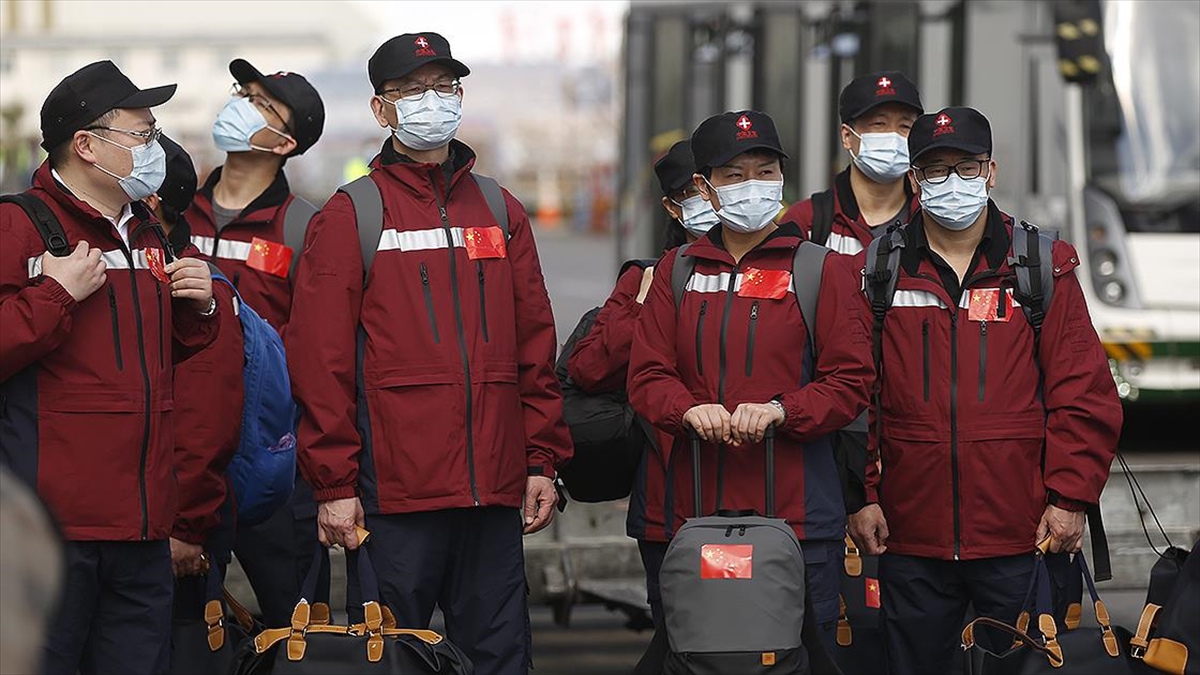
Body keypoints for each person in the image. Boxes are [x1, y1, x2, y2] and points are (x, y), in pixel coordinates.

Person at [287, 32, 573, 674]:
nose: (433, 100)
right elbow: (319, 361)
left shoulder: (499, 209)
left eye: (445, 86)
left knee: (501, 658)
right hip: (395, 498)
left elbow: (534, 345)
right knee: (394, 658)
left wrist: (541, 460)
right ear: (381, 108)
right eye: (413, 89)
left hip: (492, 492)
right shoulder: (352, 214)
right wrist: (334, 483)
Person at [847, 107, 1123, 674]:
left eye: (966, 167)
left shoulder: (1038, 265)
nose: (953, 182)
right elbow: (856, 398)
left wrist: (1070, 498)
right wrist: (863, 495)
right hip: (909, 537)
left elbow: (1083, 393)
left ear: (990, 172)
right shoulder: (879, 270)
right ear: (915, 179)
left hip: (1023, 536)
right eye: (936, 169)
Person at [628, 110, 874, 654]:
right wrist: (686, 409)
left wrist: (784, 410)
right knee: (698, 654)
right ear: (704, 188)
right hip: (692, 517)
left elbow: (850, 380)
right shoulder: (677, 271)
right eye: (734, 175)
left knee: (795, 656)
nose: (753, 186)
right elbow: (646, 374)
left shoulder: (821, 270)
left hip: (798, 520)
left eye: (765, 172)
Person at [0, 60, 218, 674]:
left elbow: (150, 360)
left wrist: (199, 309)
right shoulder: (18, 225)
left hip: (144, 523)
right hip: (52, 527)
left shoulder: (146, 230)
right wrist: (55, 296)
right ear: (87, 145)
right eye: (143, 134)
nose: (154, 147)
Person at [184, 58, 326, 626]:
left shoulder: (305, 228)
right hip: (190, 454)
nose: (240, 105)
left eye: (262, 104)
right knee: (185, 621)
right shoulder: (173, 214)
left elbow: (321, 354)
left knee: (297, 623)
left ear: (285, 143)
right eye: (242, 93)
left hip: (272, 457)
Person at [566, 139, 716, 674]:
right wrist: (644, 304)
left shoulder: (793, 272)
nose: (712, 200)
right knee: (679, 637)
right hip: (669, 500)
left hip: (766, 498)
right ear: (674, 207)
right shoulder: (648, 277)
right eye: (693, 192)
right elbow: (589, 369)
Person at [781, 71, 923, 255]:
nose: (893, 136)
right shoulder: (807, 222)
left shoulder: (931, 219)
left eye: (905, 126)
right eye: (879, 124)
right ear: (847, 136)